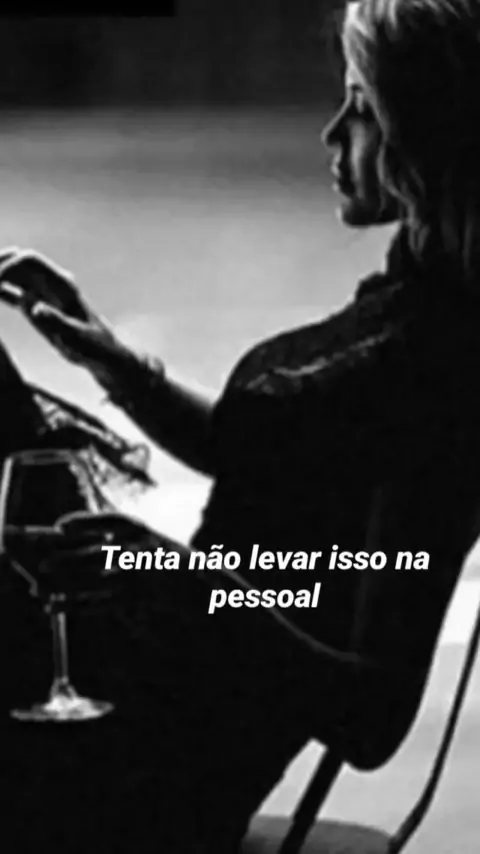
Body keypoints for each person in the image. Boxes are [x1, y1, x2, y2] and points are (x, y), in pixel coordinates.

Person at [2, 0, 480, 851]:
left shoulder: (442, 373)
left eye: (362, 108)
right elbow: (261, 461)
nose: (331, 133)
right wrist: (111, 360)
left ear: (426, 131)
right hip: (141, 668)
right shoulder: (411, 308)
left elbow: (372, 712)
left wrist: (170, 577)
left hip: (149, 753)